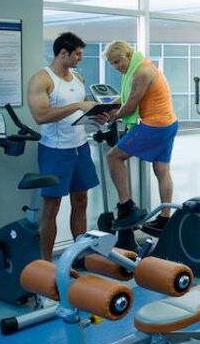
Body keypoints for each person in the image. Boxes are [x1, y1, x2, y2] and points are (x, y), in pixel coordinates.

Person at [27, 32, 107, 260]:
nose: (81, 58)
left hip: (80, 147)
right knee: (51, 207)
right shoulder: (41, 79)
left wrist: (97, 116)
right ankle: (45, 262)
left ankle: (78, 256)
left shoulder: (77, 77)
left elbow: (83, 109)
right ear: (63, 53)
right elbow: (41, 116)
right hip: (54, 151)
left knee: (81, 201)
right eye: (78, 54)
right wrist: (76, 106)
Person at [103, 40, 179, 231]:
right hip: (169, 123)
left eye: (118, 61)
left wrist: (114, 116)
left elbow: (130, 105)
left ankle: (126, 207)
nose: (116, 67)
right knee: (161, 170)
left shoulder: (141, 72)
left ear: (128, 55)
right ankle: (165, 219)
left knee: (113, 157)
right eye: (112, 63)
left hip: (155, 125)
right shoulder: (142, 67)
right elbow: (127, 97)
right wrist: (106, 105)